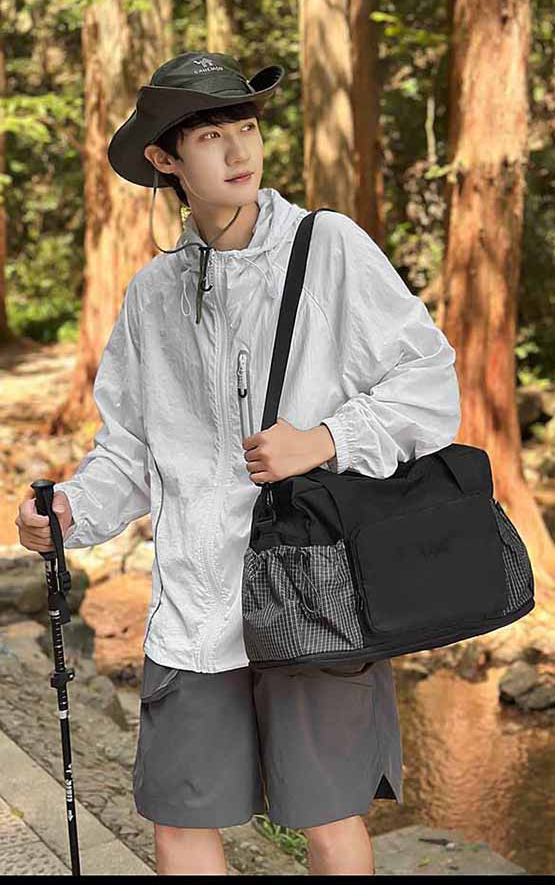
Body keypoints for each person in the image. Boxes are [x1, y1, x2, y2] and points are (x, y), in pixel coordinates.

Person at [16, 51, 461, 875]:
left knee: (328, 819)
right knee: (181, 820)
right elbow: (130, 451)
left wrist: (325, 439)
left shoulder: (329, 248)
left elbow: (431, 386)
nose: (238, 150)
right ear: (165, 159)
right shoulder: (151, 296)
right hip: (194, 607)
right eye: (210, 136)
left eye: (246, 127)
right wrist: (72, 511)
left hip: (316, 588)